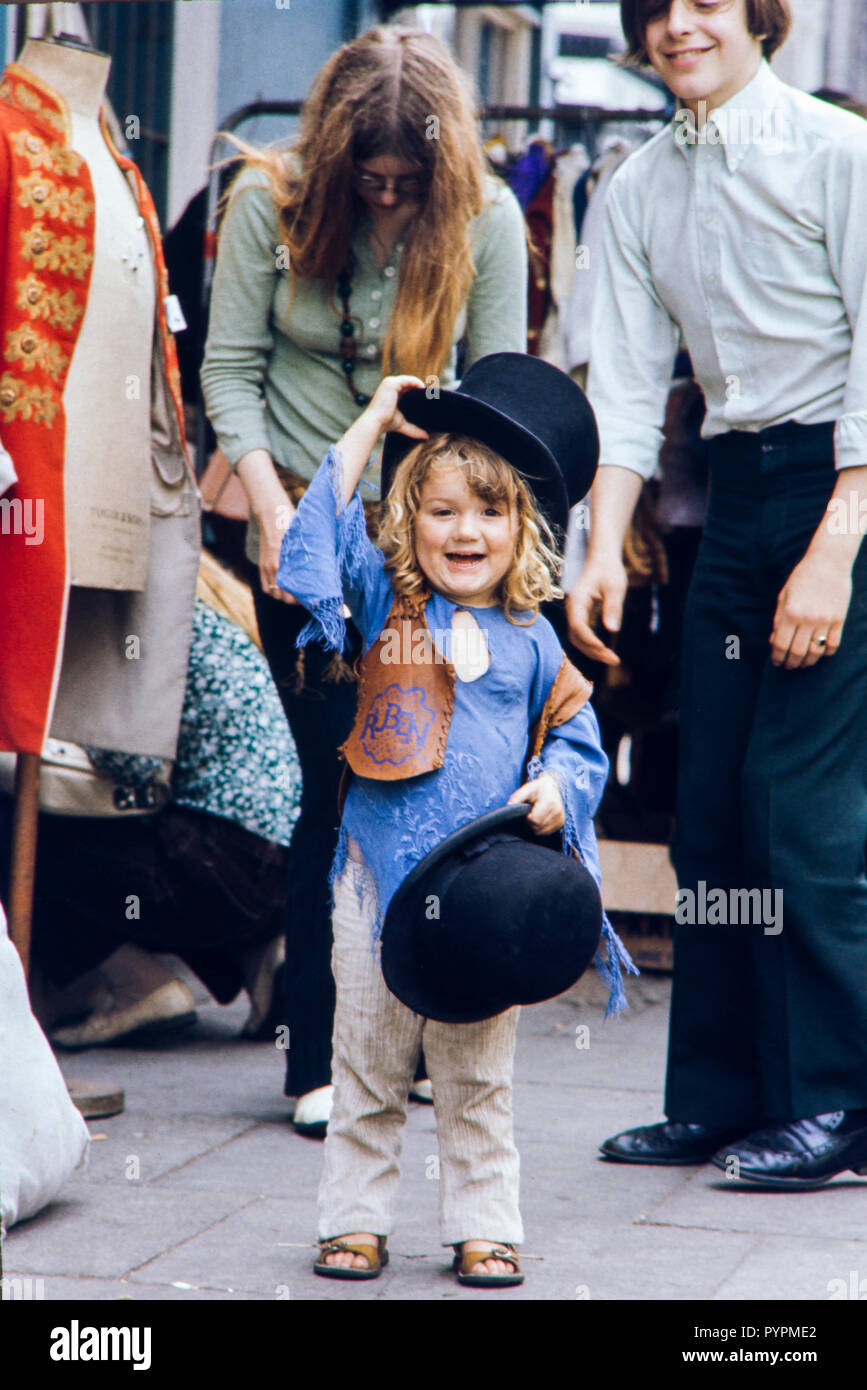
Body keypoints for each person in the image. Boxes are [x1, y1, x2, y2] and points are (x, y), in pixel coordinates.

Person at [200, 26, 528, 1135]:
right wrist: (279, 508)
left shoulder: (487, 219)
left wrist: (470, 555)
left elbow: (497, 412)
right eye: (369, 178)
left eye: (406, 181)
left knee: (435, 785)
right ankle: (317, 1054)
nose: (387, 198)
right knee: (330, 789)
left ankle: (424, 1023)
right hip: (299, 519)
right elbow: (230, 374)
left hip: (429, 549)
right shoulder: (268, 202)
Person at [567, 0, 867, 1187]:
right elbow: (631, 387)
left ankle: (836, 1104)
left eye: (707, 4)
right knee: (711, 812)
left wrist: (836, 548)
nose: (680, 27)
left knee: (798, 806)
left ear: (759, 18)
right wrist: (601, 547)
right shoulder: (635, 188)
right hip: (732, 494)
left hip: (839, 486)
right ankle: (722, 1094)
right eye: (659, 9)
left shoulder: (839, 154)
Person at [277, 358, 618, 1283]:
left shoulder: (536, 638)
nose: (465, 530)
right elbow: (310, 545)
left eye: (490, 512)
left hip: (485, 898)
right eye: (441, 510)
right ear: (408, 521)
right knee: (369, 1068)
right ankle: (354, 1219)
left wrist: (559, 785)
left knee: (476, 1079)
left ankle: (484, 1222)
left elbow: (578, 737)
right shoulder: (385, 602)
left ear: (523, 529)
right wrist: (376, 419)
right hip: (375, 880)